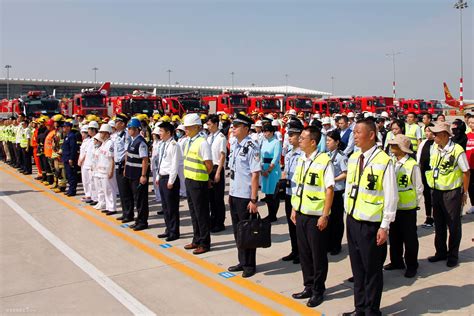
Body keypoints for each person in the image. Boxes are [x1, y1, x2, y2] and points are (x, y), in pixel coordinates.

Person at [343, 119, 397, 316]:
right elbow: (350, 187)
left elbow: (391, 197)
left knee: (372, 271)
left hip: (372, 225)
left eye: (358, 132)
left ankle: (372, 310)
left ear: (371, 135)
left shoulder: (384, 161)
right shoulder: (354, 158)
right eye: (354, 132)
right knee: (357, 270)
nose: (355, 136)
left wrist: (385, 226)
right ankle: (360, 308)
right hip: (353, 220)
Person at [290, 125, 334, 308]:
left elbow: (329, 189)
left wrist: (325, 215)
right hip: (300, 213)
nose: (299, 140)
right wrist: (294, 208)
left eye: (302, 138)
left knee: (318, 255)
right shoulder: (302, 158)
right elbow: (299, 186)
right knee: (305, 254)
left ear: (313, 142)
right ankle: (308, 286)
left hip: (316, 216)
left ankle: (318, 290)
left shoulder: (324, 161)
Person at [426, 122, 470, 267]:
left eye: (436, 134)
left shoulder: (457, 150)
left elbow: (466, 172)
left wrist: (464, 192)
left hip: (452, 192)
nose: (434, 136)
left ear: (445, 135)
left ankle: (453, 255)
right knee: (439, 224)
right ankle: (440, 252)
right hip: (436, 190)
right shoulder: (434, 147)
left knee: (453, 225)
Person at [227, 113, 261, 278]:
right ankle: (242, 261)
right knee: (237, 231)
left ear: (246, 129)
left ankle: (250, 265)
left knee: (247, 232)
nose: (233, 128)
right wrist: (230, 193)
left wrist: (253, 199)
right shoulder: (235, 145)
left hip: (246, 196)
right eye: (233, 125)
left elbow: (255, 174)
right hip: (235, 194)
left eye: (237, 126)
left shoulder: (252, 147)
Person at [385, 134, 423, 278]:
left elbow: (418, 186)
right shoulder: (391, 162)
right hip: (395, 207)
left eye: (395, 145)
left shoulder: (411, 165)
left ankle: (412, 265)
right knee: (395, 237)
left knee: (409, 238)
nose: (392, 147)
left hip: (408, 208)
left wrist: (415, 203)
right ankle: (396, 261)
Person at [182, 113, 213, 254]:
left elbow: (209, 165)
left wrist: (204, 178)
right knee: (194, 213)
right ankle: (196, 239)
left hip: (199, 182)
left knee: (202, 214)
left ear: (196, 127)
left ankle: (205, 243)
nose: (185, 130)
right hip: (189, 180)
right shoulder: (189, 141)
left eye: (188, 128)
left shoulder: (202, 142)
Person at [281, 119, 304, 264]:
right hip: (289, 193)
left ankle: (301, 253)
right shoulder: (289, 154)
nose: (289, 137)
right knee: (291, 224)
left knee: (298, 227)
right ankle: (294, 250)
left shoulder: (303, 155)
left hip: (298, 195)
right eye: (288, 134)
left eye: (292, 134)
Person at [155, 122, 182, 242]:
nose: (159, 133)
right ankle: (168, 229)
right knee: (165, 207)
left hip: (170, 179)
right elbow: (161, 162)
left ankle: (174, 232)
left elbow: (174, 164)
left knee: (172, 207)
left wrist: (171, 181)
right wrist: (157, 176)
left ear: (168, 132)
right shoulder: (163, 144)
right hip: (162, 177)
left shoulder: (174, 145)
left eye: (161, 131)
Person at [123, 117, 150, 231]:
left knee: (141, 200)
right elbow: (128, 156)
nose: (128, 130)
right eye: (128, 128)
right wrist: (125, 169)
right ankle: (137, 220)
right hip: (131, 173)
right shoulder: (132, 140)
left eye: (130, 128)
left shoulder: (141, 142)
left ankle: (143, 221)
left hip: (138, 175)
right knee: (135, 198)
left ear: (136, 129)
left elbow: (145, 160)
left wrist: (143, 175)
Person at [326, 130, 348, 255]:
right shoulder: (326, 155)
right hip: (327, 191)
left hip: (337, 191)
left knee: (337, 220)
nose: (327, 143)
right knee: (328, 218)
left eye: (329, 141)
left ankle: (336, 245)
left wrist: (333, 179)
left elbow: (345, 173)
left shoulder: (341, 156)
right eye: (326, 140)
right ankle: (329, 243)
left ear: (337, 142)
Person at [206, 114, 227, 233]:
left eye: (209, 124)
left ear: (215, 124)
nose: (208, 127)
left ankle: (220, 222)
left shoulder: (221, 137)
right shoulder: (209, 137)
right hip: (209, 168)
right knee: (211, 198)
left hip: (217, 168)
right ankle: (212, 220)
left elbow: (222, 156)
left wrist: (218, 172)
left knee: (218, 198)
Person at [260, 123, 282, 222]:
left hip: (272, 170)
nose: (265, 133)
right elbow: (261, 156)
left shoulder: (276, 142)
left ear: (272, 132)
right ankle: (270, 213)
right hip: (264, 167)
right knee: (267, 193)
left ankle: (273, 215)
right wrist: (261, 168)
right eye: (263, 131)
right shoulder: (264, 142)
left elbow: (276, 157)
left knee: (273, 193)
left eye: (267, 131)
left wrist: (268, 170)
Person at [417, 124, 436, 227]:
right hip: (424, 173)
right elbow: (418, 158)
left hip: (433, 173)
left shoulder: (436, 144)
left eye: (430, 131)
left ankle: (436, 216)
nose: (428, 133)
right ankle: (428, 217)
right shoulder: (423, 143)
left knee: (434, 196)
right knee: (427, 195)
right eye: (426, 131)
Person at [96, 124, 117, 215]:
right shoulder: (103, 143)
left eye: (102, 132)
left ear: (107, 133)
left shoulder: (110, 143)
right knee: (105, 189)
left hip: (107, 170)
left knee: (110, 189)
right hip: (101, 171)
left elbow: (112, 158)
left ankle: (112, 208)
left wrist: (111, 170)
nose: (100, 134)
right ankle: (108, 206)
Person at [61, 121, 79, 196]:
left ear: (68, 127)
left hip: (69, 158)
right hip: (65, 158)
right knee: (68, 175)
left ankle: (72, 190)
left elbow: (73, 148)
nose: (63, 128)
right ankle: (70, 189)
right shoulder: (67, 136)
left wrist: (71, 158)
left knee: (71, 175)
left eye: (65, 127)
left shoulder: (72, 136)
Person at [175, 124, 187, 199]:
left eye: (178, 131)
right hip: (178, 161)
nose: (177, 133)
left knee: (183, 178)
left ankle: (184, 192)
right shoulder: (179, 140)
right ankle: (181, 191)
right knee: (179, 178)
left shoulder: (185, 140)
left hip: (183, 162)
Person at [466, 116, 474, 214]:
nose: (471, 124)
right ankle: (473, 205)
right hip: (469, 167)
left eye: (473, 122)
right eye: (470, 123)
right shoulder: (466, 136)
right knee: (471, 187)